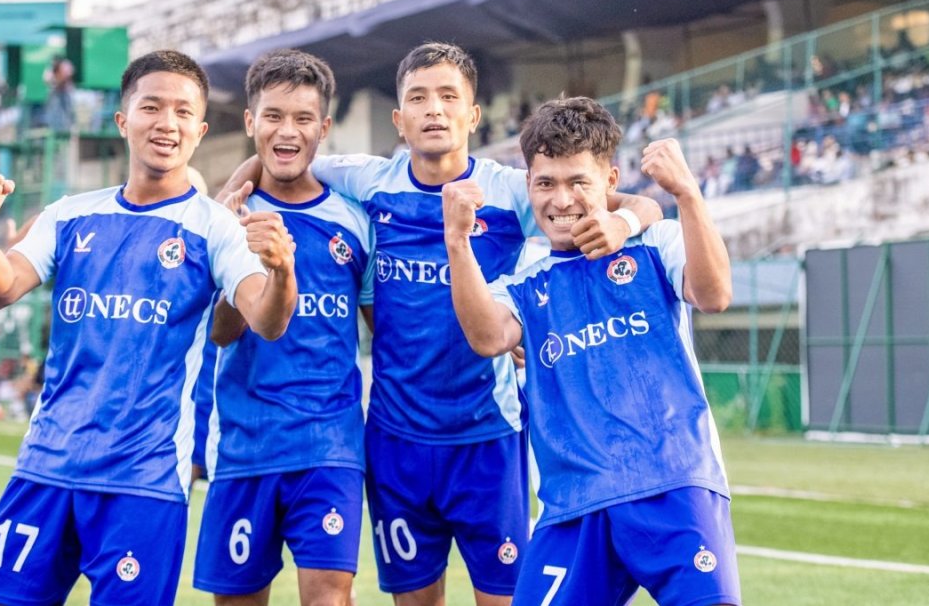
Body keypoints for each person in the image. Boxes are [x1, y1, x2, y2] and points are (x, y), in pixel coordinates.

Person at [221, 42, 661, 605]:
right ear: (398, 119)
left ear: (473, 115)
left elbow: (634, 204)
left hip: (487, 435)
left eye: (449, 96)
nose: (434, 109)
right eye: (418, 98)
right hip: (396, 439)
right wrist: (229, 195)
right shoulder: (370, 181)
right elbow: (283, 154)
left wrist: (625, 222)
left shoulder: (510, 190)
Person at [0, 50, 298, 606]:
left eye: (183, 112)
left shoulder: (216, 228)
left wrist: (282, 269)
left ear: (200, 130)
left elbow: (265, 319)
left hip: (143, 480)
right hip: (46, 466)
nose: (167, 123)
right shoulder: (68, 215)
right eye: (151, 107)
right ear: (123, 121)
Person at [442, 97, 740, 606]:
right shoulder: (525, 281)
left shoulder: (656, 244)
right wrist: (457, 241)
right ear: (529, 184)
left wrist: (687, 193)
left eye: (578, 182)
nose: (562, 200)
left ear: (610, 180)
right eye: (545, 183)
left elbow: (713, 295)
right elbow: (488, 337)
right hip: (572, 506)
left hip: (674, 485)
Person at [194, 49, 373, 606]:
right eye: (273, 116)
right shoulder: (225, 222)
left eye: (303, 118)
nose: (287, 131)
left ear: (324, 127)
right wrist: (251, 263)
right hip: (244, 446)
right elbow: (221, 333)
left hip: (329, 444)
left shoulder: (354, 219)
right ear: (251, 122)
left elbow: (386, 329)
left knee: (329, 600)